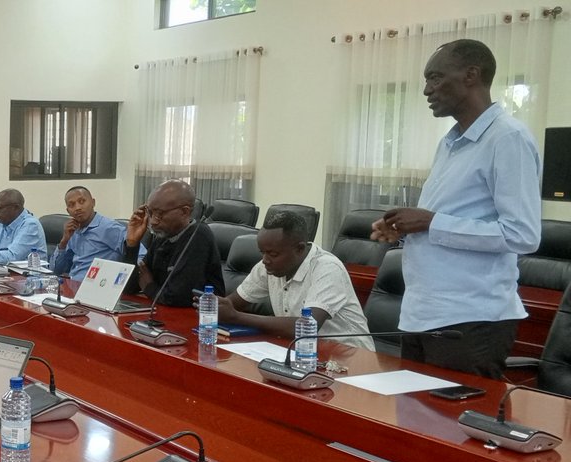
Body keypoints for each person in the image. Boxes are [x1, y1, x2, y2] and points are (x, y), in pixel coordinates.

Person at [371, 39, 540, 379]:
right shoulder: (449, 143)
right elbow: (451, 222)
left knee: (456, 428)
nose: (426, 90)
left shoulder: (507, 138)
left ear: (470, 75)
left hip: (471, 319)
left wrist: (432, 222)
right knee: (411, 426)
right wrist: (407, 229)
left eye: (435, 77)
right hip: (422, 312)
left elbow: (522, 235)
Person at [216, 211, 373, 350]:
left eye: (273, 254)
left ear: (299, 248)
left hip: (352, 358)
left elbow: (306, 327)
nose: (265, 260)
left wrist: (236, 317)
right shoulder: (268, 266)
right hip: (302, 351)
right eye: (262, 253)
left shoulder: (328, 268)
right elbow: (233, 303)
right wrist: (216, 306)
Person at [122, 180, 224, 306]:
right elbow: (128, 288)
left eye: (159, 214)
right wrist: (132, 244)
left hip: (198, 319)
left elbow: (176, 298)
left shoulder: (198, 236)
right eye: (150, 212)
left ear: (184, 212)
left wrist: (148, 286)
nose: (153, 221)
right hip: (162, 312)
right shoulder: (164, 235)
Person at [50, 186, 129, 281]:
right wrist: (64, 241)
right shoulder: (72, 231)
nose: (77, 208)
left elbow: (139, 256)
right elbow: (56, 271)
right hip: (72, 286)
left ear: (93, 203)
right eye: (72, 205)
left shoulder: (110, 228)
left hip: (97, 288)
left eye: (82, 201)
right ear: (68, 211)